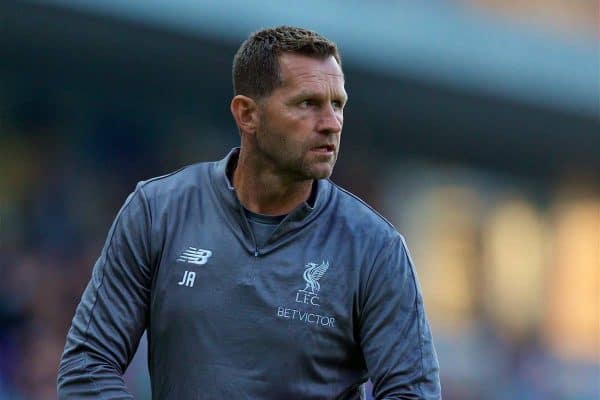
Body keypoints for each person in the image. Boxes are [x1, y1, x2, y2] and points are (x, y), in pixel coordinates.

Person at [57, 26, 441, 399]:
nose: (331, 123)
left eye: (337, 104)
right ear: (247, 115)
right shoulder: (158, 210)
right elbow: (88, 365)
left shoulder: (376, 248)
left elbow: (412, 392)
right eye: (307, 103)